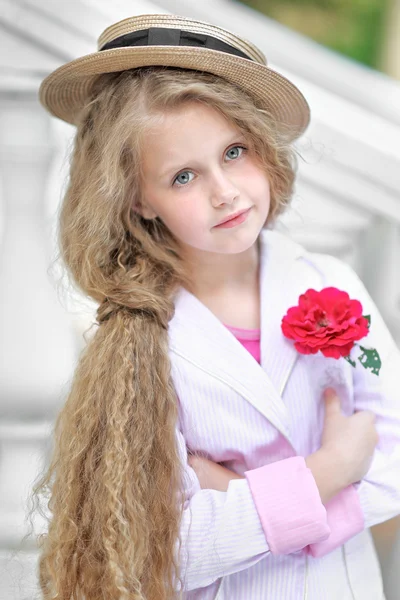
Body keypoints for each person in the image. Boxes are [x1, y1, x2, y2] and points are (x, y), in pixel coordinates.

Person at [33, 13, 400, 600]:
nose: (223, 190)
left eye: (235, 151)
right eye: (182, 176)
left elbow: (395, 461)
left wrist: (241, 494)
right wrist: (330, 469)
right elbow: (167, 551)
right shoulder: (140, 338)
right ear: (137, 198)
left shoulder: (333, 284)